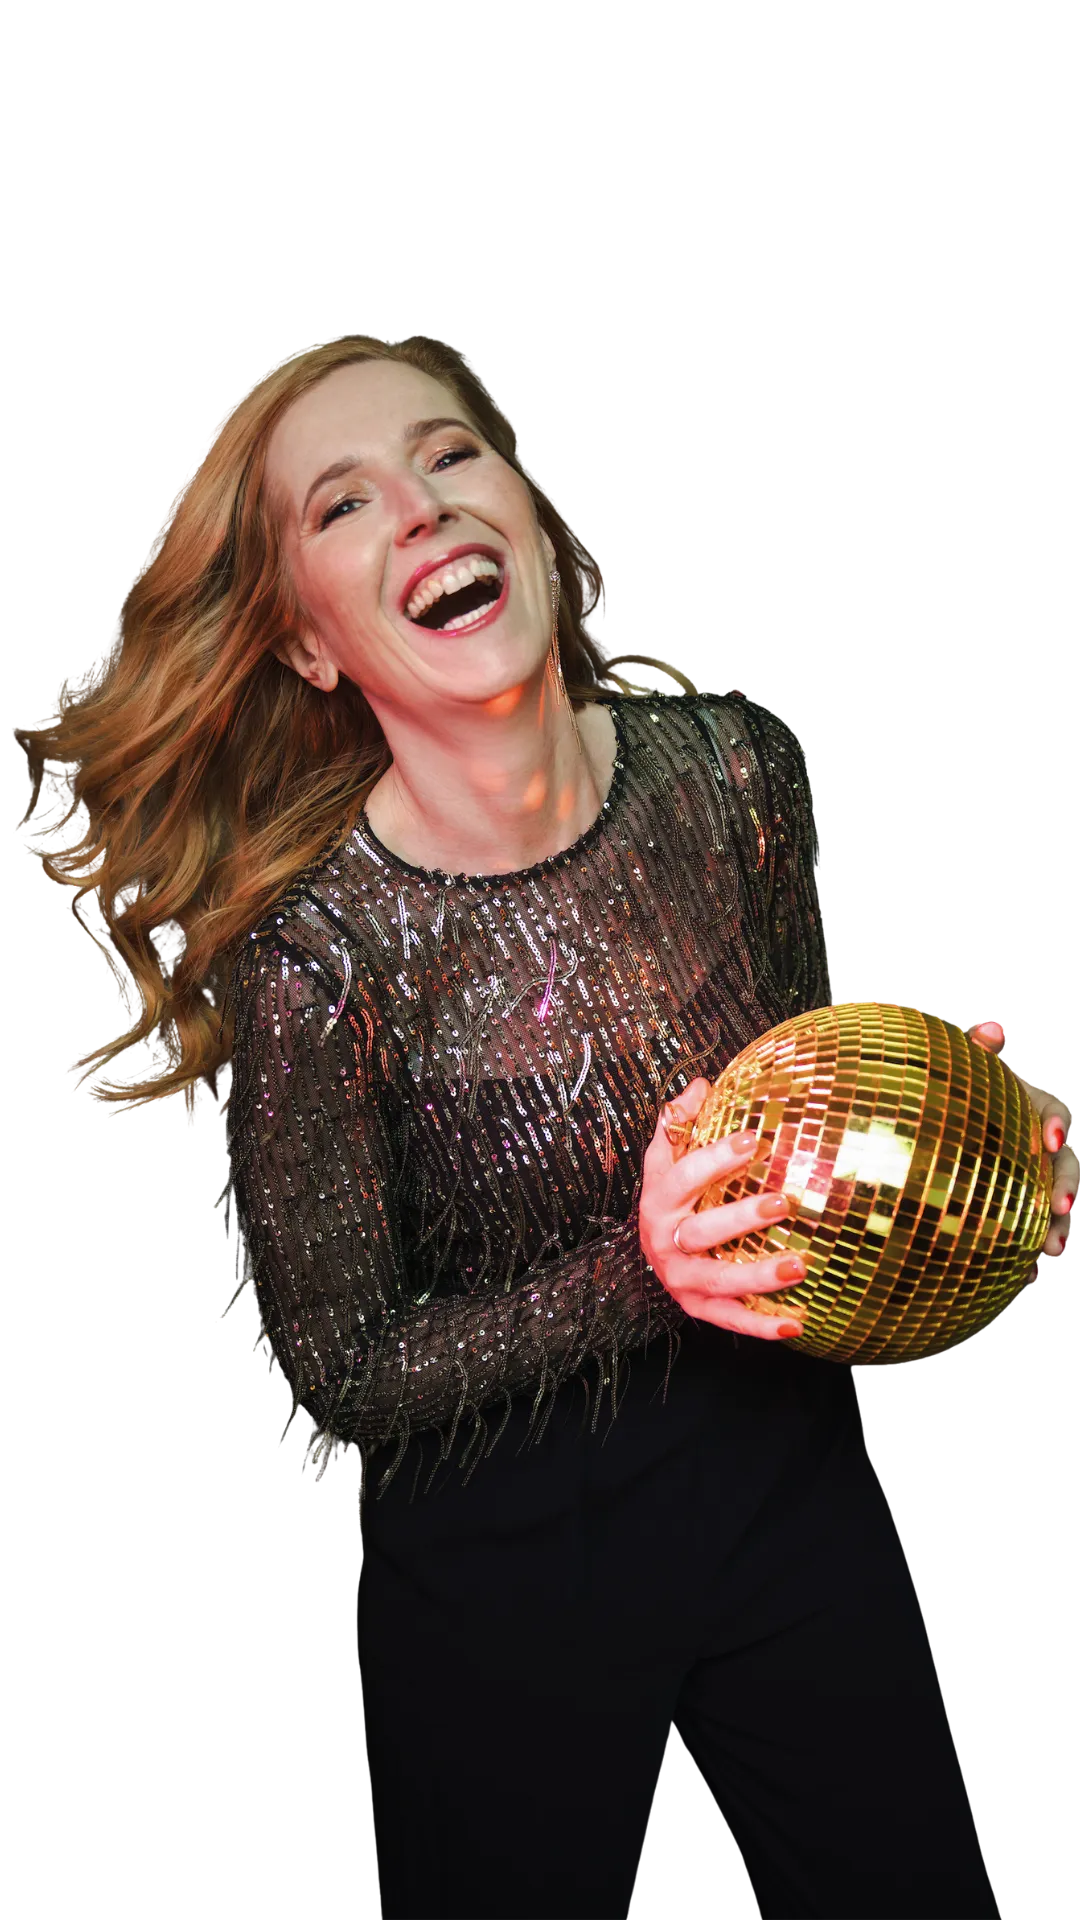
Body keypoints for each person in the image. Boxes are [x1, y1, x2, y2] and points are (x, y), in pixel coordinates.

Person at [213, 351, 1000, 1917]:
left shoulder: (738, 768)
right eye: (347, 503)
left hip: (789, 1493)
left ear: (527, 510)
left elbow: (807, 1129)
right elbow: (341, 1380)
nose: (422, 508)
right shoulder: (314, 963)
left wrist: (966, 1158)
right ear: (308, 639)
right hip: (506, 1576)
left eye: (451, 455)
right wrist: (640, 1272)